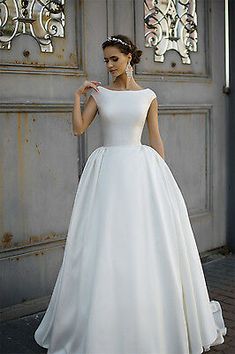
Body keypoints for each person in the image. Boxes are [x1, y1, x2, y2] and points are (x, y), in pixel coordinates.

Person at [34, 34, 227, 354]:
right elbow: (79, 128)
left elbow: (155, 137)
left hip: (140, 171)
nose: (109, 65)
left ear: (129, 58)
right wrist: (78, 97)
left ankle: (148, 322)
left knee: (143, 242)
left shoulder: (148, 96)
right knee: (106, 244)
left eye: (114, 59)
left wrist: (163, 179)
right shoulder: (100, 93)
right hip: (107, 172)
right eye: (106, 60)